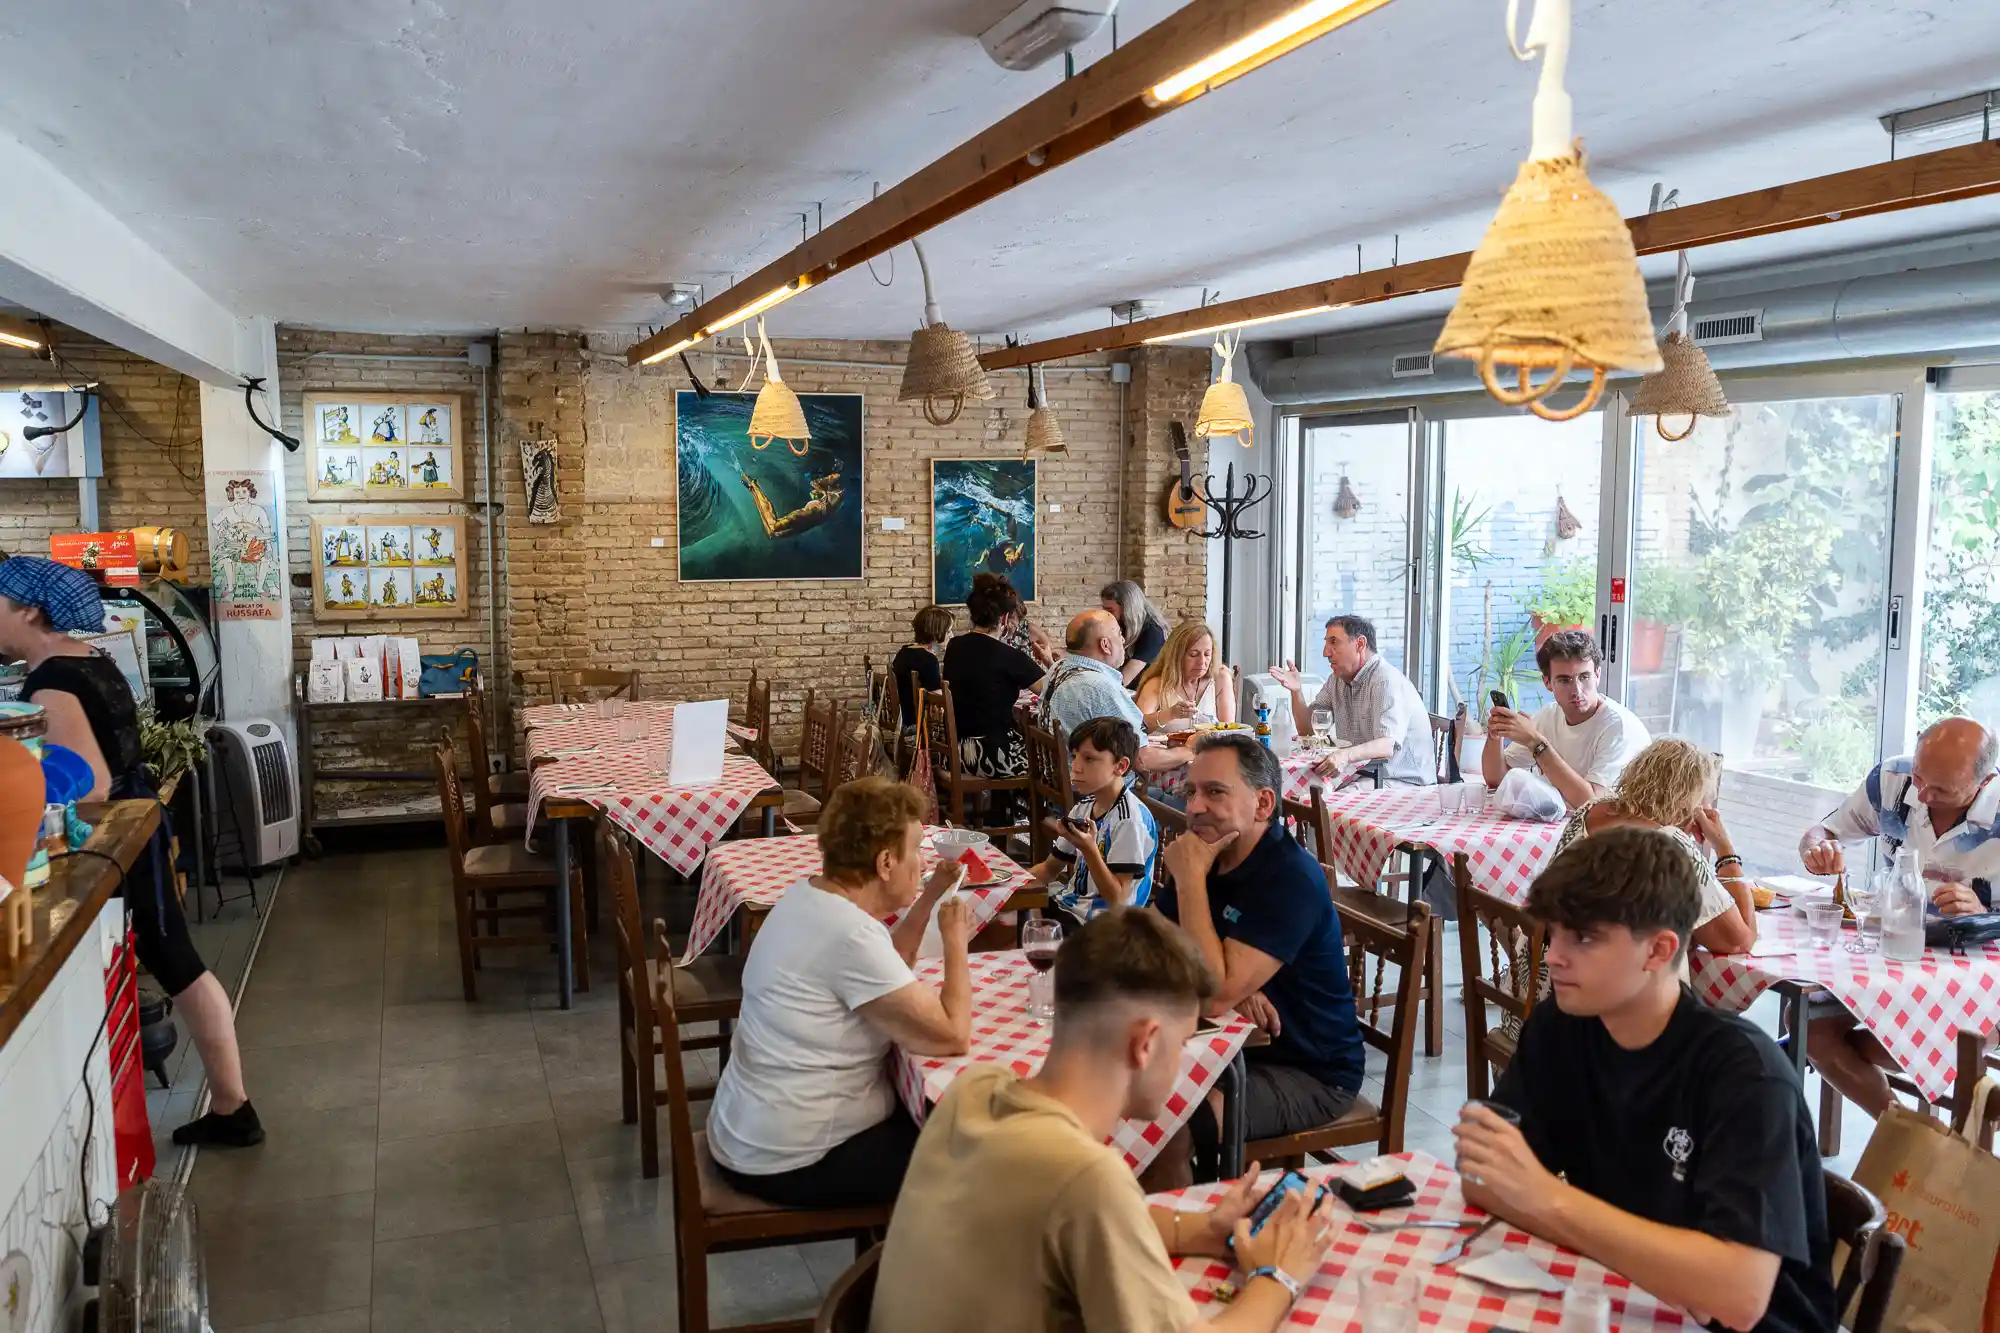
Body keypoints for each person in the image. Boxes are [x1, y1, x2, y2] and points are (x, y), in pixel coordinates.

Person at [869, 908, 1335, 1333]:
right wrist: (1279, 1275)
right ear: (1146, 1043)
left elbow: (1084, 1226)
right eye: (1183, 1042)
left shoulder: (975, 1092)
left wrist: (1202, 1228)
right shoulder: (1086, 1177)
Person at [1455, 826, 1837, 1333]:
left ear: (1659, 951)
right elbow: (1486, 1178)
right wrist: (1676, 1267)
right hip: (1625, 1295)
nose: (1553, 956)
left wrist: (1550, 1200)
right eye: (1556, 932)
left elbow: (1738, 1297)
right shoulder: (1560, 1028)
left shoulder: (1745, 1074)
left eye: (1583, 937)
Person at [0, 557, 264, 1147]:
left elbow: (87, 783)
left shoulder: (53, 681)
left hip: (117, 844)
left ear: (29, 610)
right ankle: (229, 1103)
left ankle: (232, 1104)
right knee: (176, 959)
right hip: (141, 824)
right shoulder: (88, 658)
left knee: (176, 963)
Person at [707, 777, 973, 1207]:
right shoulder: (848, 935)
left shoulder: (809, 896)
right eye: (917, 852)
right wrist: (956, 941)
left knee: (940, 1123)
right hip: (790, 1157)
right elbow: (952, 1034)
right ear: (886, 863)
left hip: (749, 1128)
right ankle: (903, 1269)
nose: (922, 866)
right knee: (976, 1157)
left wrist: (931, 895)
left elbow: (892, 961)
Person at [1162, 733, 1366, 1178]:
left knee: (1169, 1130)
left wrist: (1191, 880)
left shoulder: (1287, 877)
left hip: (1308, 1071)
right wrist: (1236, 991)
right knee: (1119, 1090)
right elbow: (1150, 937)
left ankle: (1184, 1239)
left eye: (1214, 792)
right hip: (1229, 1047)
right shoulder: (1213, 849)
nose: (1195, 807)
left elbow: (1212, 994)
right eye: (1190, 792)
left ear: (1263, 803)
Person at [1798, 716, 2000, 1117]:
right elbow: (1822, 833)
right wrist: (1815, 850)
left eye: (1941, 788)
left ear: (1985, 782)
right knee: (1809, 1026)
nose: (1922, 795)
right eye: (1921, 778)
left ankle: (1916, 1144)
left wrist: (1986, 917)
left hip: (1982, 976)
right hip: (1897, 954)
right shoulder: (1894, 779)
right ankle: (1907, 1137)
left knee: (1930, 1039)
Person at [1553, 738, 1757, 962]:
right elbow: (1739, 940)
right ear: (1687, 801)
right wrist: (1724, 848)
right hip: (1607, 990)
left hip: (1544, 977)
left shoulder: (1591, 809)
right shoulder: (1670, 846)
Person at [1482, 629, 1650, 809]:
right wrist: (1496, 735)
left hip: (1616, 831)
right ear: (1547, 683)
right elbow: (1497, 778)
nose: (1577, 690)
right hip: (1566, 824)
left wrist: (1536, 742)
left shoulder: (1619, 727)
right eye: (1564, 680)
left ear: (1598, 675)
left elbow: (1592, 803)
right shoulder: (1549, 716)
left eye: (1584, 677)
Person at [1024, 717, 1159, 924]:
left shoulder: (1129, 820)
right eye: (1075, 756)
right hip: (1069, 907)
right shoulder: (1084, 807)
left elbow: (1118, 900)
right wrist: (1007, 886)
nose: (1076, 767)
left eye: (1089, 759)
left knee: (1011, 932)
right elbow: (1049, 869)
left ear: (1121, 766)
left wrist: (1089, 849)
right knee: (1000, 919)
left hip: (1103, 927)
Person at [1270, 615, 1433, 787]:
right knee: (1298, 793)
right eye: (1326, 643)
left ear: (1360, 644)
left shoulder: (1385, 680)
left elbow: (1387, 745)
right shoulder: (1336, 679)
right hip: (1362, 774)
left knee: (1322, 802)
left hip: (1400, 781)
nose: (1325, 652)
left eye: (1334, 642)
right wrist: (1296, 691)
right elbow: (1307, 730)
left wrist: (1344, 755)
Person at [1039, 611, 1190, 776]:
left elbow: (1129, 724)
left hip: (1064, 783)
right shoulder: (1098, 686)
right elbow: (1141, 760)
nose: (1124, 640)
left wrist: (1170, 713)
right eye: (1119, 634)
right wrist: (1190, 750)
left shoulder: (1059, 668)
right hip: (1100, 795)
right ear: (1105, 645)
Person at [940, 576, 1044, 784]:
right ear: (1004, 619)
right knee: (1052, 762)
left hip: (955, 753)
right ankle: (1021, 813)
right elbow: (1050, 690)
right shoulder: (1009, 656)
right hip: (993, 757)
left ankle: (1006, 812)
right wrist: (1049, 659)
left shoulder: (954, 646)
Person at [1134, 620, 1237, 731]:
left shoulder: (1220, 679)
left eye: (1207, 654)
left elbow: (1228, 730)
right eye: (1194, 655)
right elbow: (1138, 726)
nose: (1202, 662)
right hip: (1167, 748)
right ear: (1177, 656)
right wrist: (1170, 714)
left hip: (1211, 747)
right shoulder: (1158, 683)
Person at [889, 605, 951, 737]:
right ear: (937, 633)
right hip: (915, 724)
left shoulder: (904, 651)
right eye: (949, 631)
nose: (952, 635)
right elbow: (939, 703)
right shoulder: (928, 660)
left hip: (902, 720)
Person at [977, 572, 1056, 669]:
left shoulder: (1030, 631)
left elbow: (1049, 657)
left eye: (1013, 619)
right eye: (1007, 618)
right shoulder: (988, 631)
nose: (1008, 624)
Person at [1101, 579, 1170, 686]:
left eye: (1110, 610)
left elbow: (1126, 677)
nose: (1106, 614)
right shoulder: (1119, 624)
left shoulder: (1153, 632)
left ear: (1127, 608)